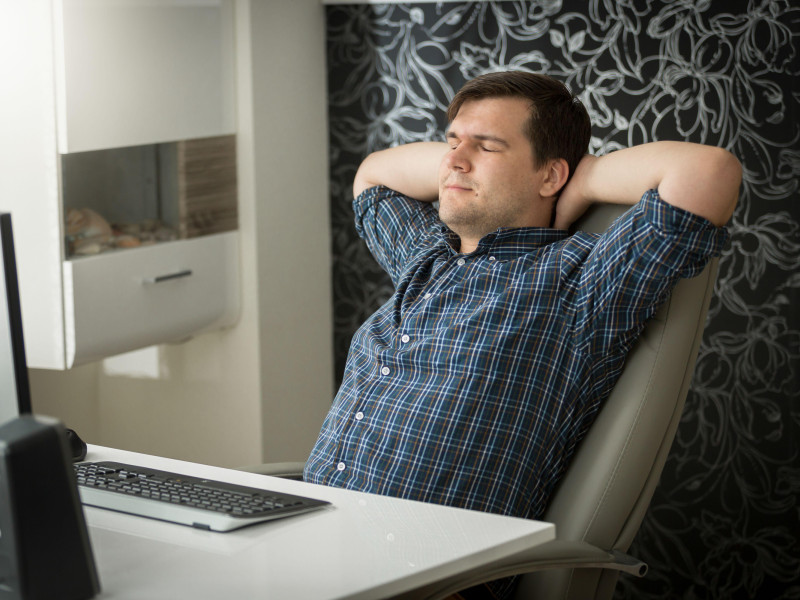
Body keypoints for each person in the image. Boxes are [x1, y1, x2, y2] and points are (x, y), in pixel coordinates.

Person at [304, 71, 741, 599]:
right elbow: (373, 176)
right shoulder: (427, 259)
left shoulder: (578, 285)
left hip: (414, 579)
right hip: (309, 541)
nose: (454, 160)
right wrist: (464, 156)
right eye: (451, 142)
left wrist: (585, 178)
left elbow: (707, 172)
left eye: (487, 146)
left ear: (549, 175)